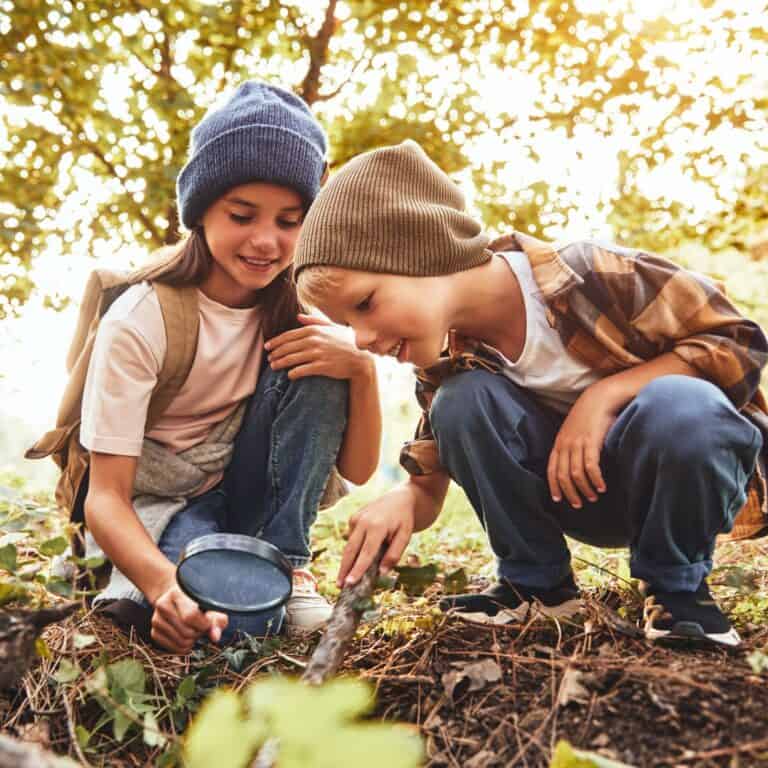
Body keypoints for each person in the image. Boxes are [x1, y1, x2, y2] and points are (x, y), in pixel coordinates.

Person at [291, 139, 768, 648]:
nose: (361, 339)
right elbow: (429, 483)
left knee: (681, 403)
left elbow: (737, 342)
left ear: (422, 252)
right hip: (580, 497)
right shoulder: (447, 364)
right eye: (347, 324)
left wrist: (602, 398)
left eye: (365, 304)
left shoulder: (591, 274)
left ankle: (678, 593)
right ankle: (537, 587)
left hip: (680, 480)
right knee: (462, 401)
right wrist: (405, 501)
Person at [81, 82, 381, 654]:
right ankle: (163, 578)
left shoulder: (298, 312)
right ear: (201, 211)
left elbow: (359, 469)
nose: (266, 241)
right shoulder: (141, 320)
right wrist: (163, 586)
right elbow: (106, 497)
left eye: (289, 221)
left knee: (322, 357)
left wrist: (361, 369)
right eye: (242, 215)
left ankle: (286, 563)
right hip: (161, 502)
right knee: (223, 625)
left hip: (245, 488)